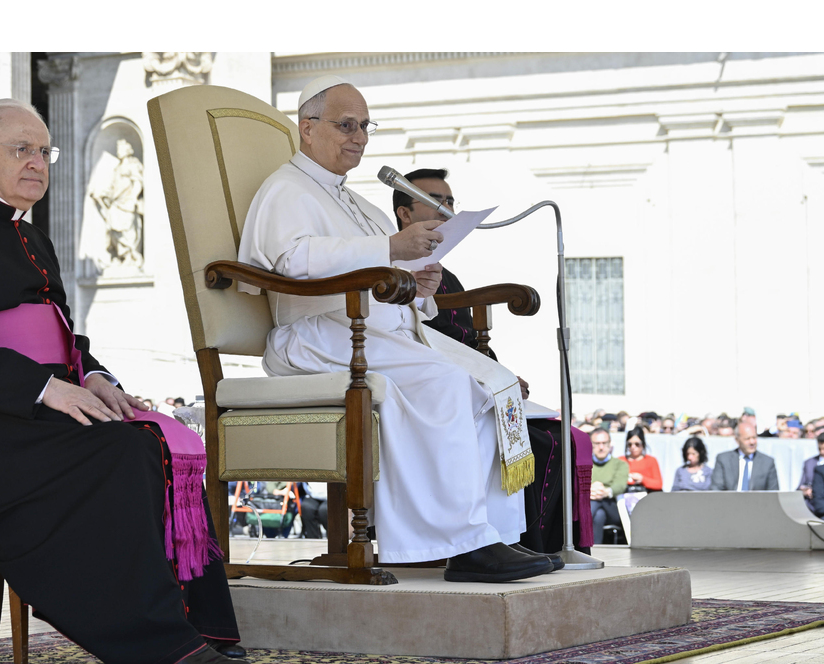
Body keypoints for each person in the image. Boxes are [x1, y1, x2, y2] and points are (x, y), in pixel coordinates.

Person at [0, 98, 248, 664]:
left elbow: (63, 338)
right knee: (124, 451)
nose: (38, 162)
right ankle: (151, 639)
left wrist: (96, 377)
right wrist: (46, 389)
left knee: (164, 439)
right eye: (21, 149)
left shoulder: (34, 238)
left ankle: (198, 624)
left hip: (28, 415)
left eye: (44, 151)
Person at [237, 75, 552, 582]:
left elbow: (380, 275)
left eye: (364, 126)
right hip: (316, 334)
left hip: (372, 332)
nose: (358, 137)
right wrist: (391, 251)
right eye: (346, 125)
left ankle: (493, 536)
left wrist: (418, 284)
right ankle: (464, 545)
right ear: (308, 128)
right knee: (447, 384)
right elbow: (293, 262)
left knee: (487, 388)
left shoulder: (357, 202)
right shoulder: (285, 188)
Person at [393, 167, 589, 558]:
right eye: (435, 201)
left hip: (470, 380)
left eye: (449, 201)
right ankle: (509, 545)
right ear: (405, 216)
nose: (446, 209)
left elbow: (465, 341)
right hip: (432, 386)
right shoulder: (398, 271)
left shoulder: (444, 276)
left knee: (558, 436)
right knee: (532, 442)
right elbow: (422, 342)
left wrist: (500, 376)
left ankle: (547, 549)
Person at [710, 420, 779, 491]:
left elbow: (773, 493)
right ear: (737, 440)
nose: (752, 442)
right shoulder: (724, 459)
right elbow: (716, 489)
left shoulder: (767, 462)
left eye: (754, 438)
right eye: (747, 439)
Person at [589, 428, 629, 543]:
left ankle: (580, 526)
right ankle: (595, 550)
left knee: (595, 502)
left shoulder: (620, 464)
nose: (601, 447)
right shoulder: (585, 464)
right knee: (599, 515)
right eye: (597, 444)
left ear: (610, 444)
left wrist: (604, 492)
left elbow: (620, 485)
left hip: (612, 506)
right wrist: (590, 490)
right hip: (592, 503)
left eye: (604, 443)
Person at [620, 427, 663, 496]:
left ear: (642, 444)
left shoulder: (651, 460)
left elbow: (658, 484)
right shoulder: (620, 460)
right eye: (630, 444)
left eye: (637, 444)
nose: (633, 447)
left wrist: (642, 479)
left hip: (646, 499)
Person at [798, 430, 824, 513]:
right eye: (819, 448)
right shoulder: (810, 463)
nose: (822, 452)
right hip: (812, 506)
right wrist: (805, 490)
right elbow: (800, 486)